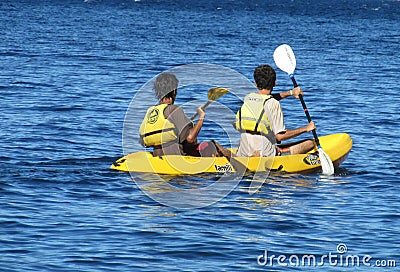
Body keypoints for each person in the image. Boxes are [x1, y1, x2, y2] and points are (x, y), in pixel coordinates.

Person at [234, 64, 316, 157]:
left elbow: (266, 98)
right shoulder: (274, 104)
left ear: (255, 83)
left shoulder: (249, 98)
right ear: (275, 83)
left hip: (243, 153)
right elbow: (280, 136)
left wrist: (290, 93)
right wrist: (306, 128)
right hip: (265, 155)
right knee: (310, 143)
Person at [139, 73, 227, 157]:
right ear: (173, 91)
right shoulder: (174, 110)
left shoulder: (151, 111)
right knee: (212, 146)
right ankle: (236, 161)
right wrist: (201, 117)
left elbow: (142, 141)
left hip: (159, 156)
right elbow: (190, 138)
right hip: (177, 160)